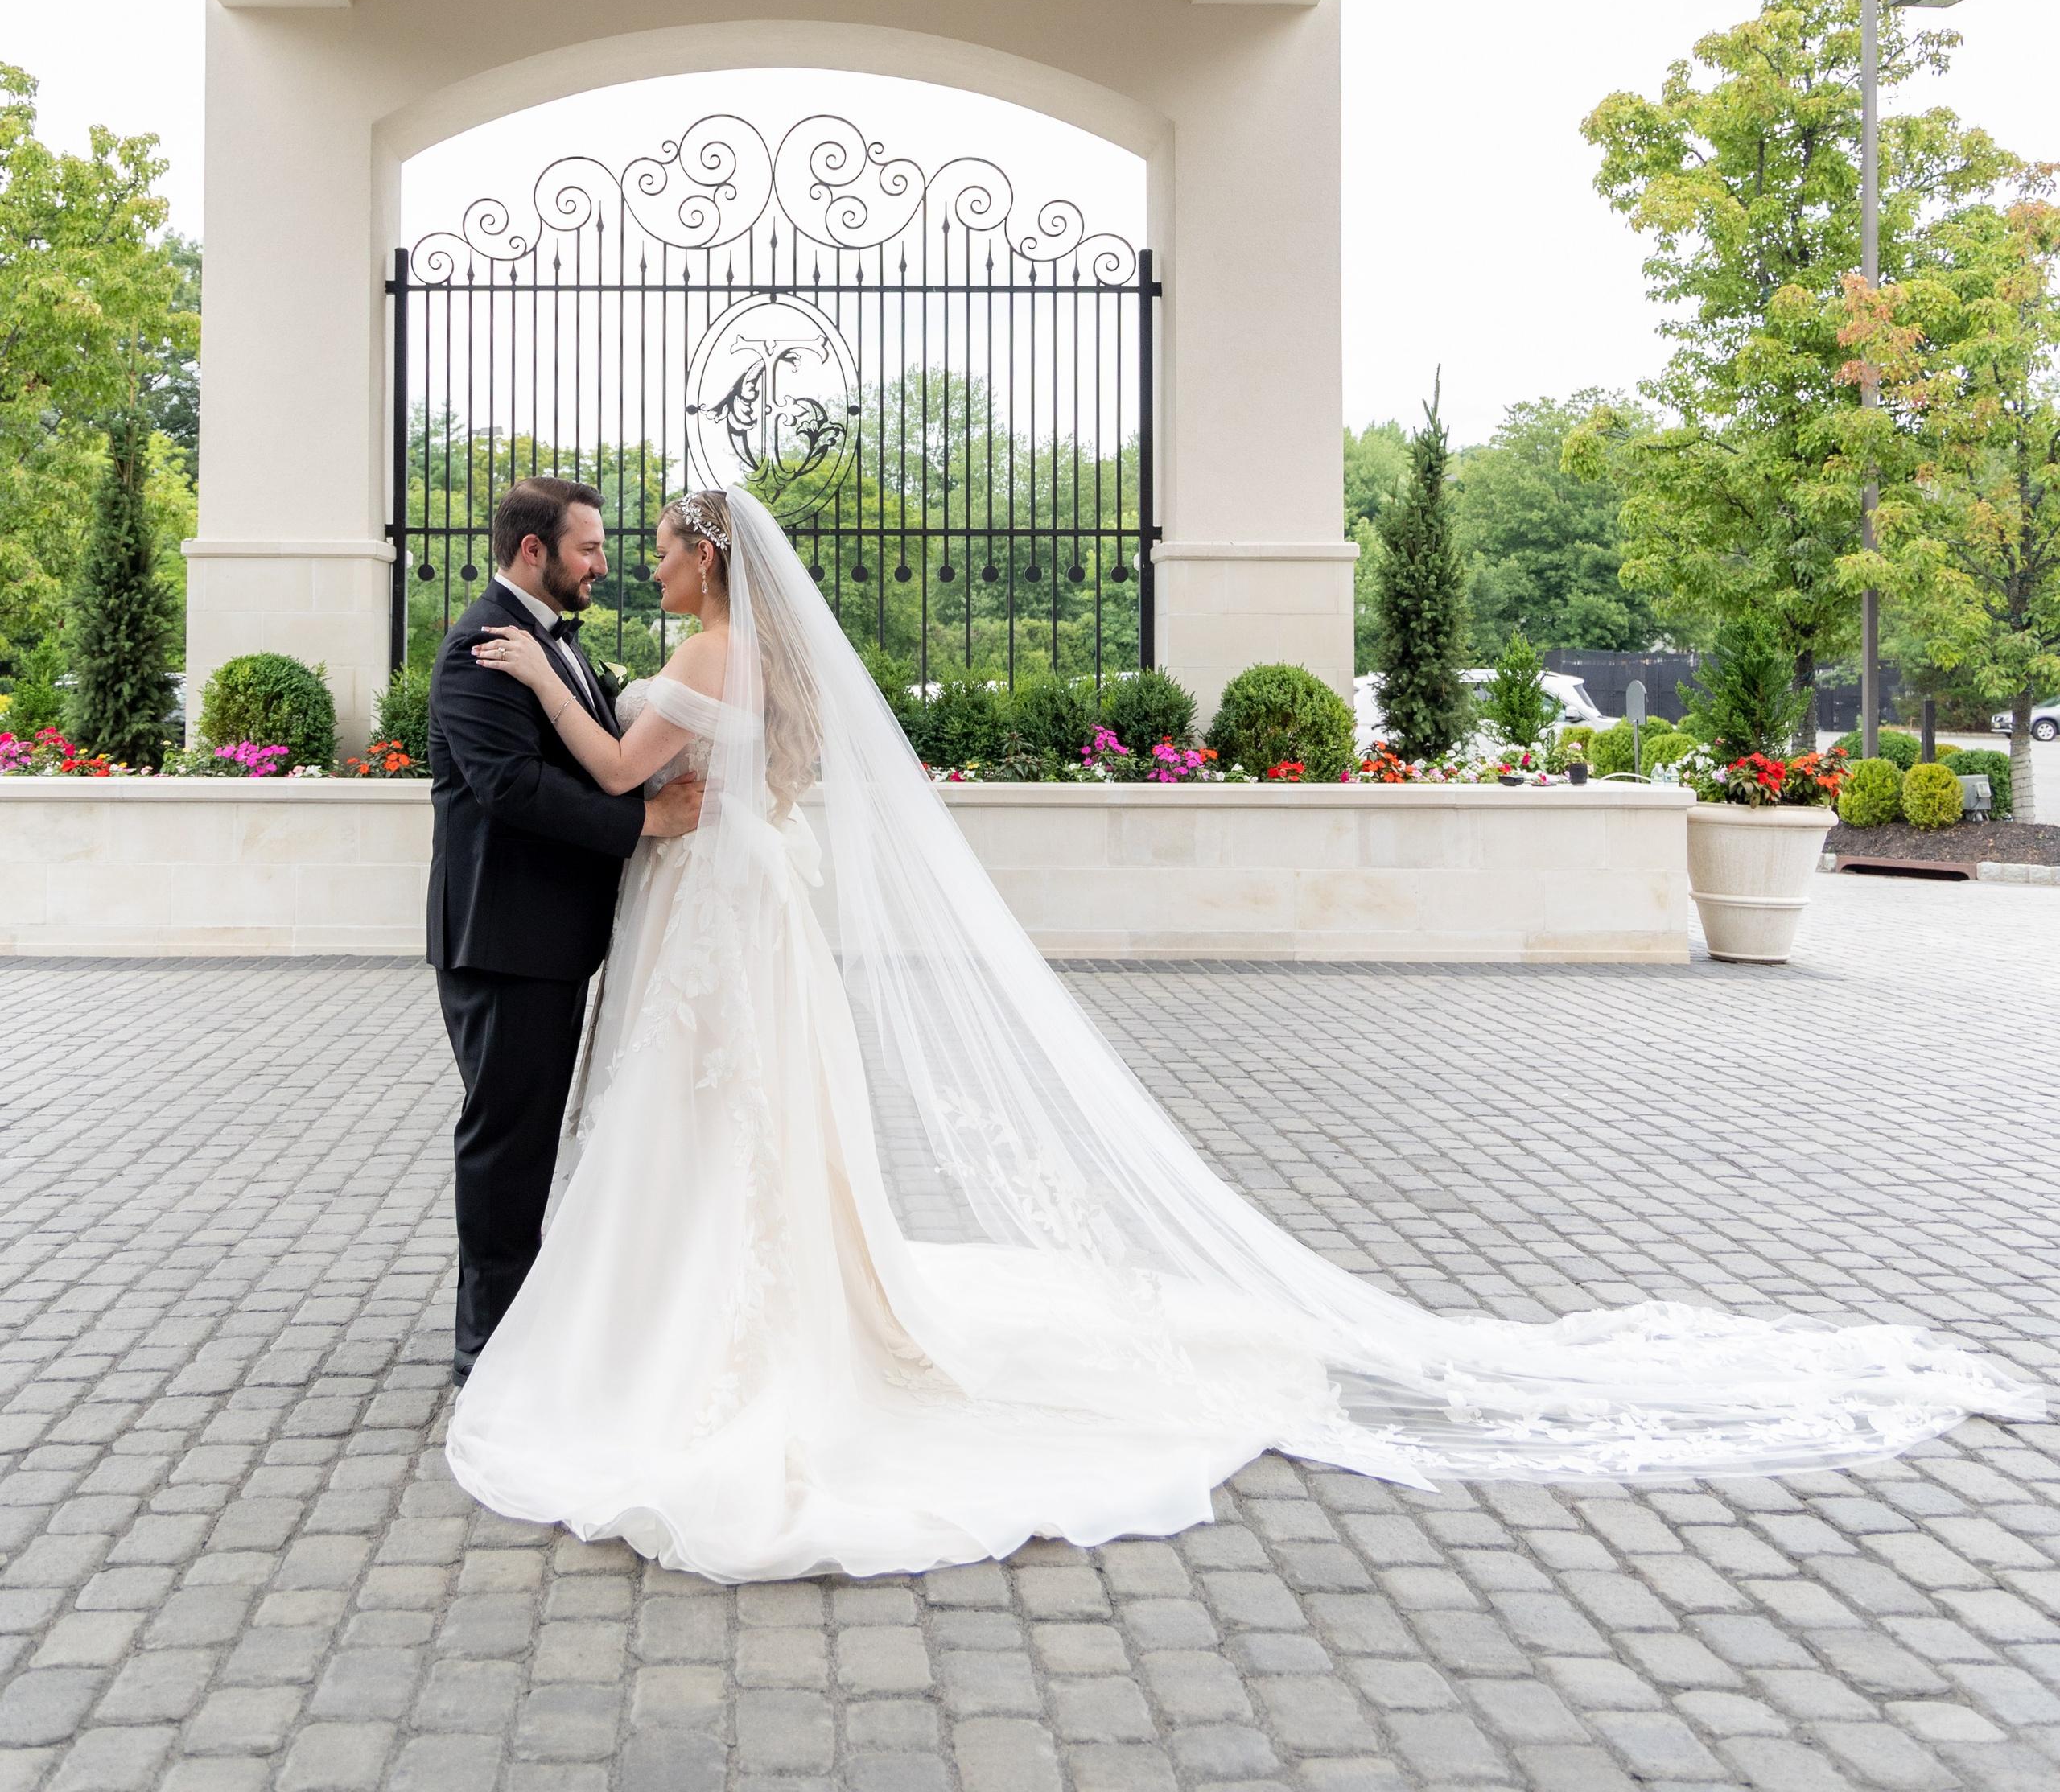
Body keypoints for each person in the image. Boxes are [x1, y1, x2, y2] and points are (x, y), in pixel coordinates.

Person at [447, 484, 2041, 1583]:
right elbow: (714, 782)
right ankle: (730, 1298)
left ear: (706, 561)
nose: (639, 566)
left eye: (657, 548)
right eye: (611, 550)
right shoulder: (763, 662)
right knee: (751, 1123)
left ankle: (666, 1327)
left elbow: (614, 774)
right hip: (752, 915)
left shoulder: (694, 653)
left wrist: (554, 688)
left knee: (702, 1120)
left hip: (716, 916)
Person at [426, 476, 702, 1384]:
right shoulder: (481, 644)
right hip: (503, 934)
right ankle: (488, 1341)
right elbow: (510, 785)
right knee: (507, 1136)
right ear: (533, 549)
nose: (604, 564)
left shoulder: (547, 642)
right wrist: (647, 822)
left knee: (531, 1130)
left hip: (546, 935)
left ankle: (521, 1319)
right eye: (589, 548)